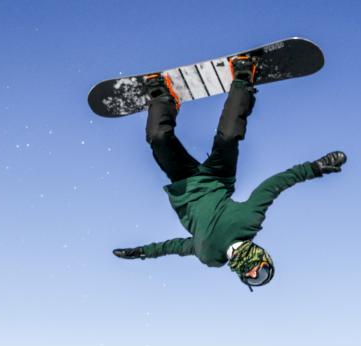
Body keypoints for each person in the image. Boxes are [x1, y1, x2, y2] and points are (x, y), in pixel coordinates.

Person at [113, 56, 347, 290]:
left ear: (243, 277)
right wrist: (315, 168)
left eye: (255, 278)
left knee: (159, 139)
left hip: (184, 184)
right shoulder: (248, 222)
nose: (255, 271)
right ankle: (244, 78)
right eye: (262, 270)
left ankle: (162, 98)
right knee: (228, 138)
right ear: (264, 257)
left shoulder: (210, 257)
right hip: (218, 177)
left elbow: (175, 247)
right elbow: (274, 185)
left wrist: (142, 252)